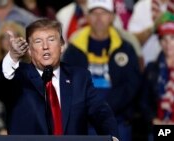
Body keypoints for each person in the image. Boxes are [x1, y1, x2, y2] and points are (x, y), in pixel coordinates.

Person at [0, 18, 119, 140]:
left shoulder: (80, 77)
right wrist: (13, 56)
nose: (45, 46)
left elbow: (101, 112)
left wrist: (112, 137)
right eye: (38, 41)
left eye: (51, 39)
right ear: (29, 50)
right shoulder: (18, 76)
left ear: (61, 46)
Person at [62, 0, 141, 140]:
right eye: (94, 13)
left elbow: (131, 85)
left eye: (103, 13)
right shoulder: (74, 47)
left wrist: (105, 108)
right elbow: (65, 81)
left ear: (112, 16)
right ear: (87, 16)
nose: (99, 18)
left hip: (118, 119)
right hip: (83, 121)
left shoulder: (126, 46)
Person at [0, 21, 29, 135]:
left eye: (15, 35)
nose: (10, 40)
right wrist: (2, 130)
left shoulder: (32, 68)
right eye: (5, 37)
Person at [140, 12, 174, 141]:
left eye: (172, 38)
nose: (168, 43)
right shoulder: (152, 68)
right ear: (159, 42)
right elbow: (143, 101)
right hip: (159, 127)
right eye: (164, 39)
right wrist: (153, 120)